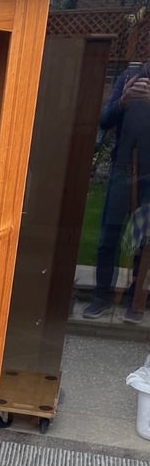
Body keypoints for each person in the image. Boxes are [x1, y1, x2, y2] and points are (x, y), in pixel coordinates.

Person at [83, 55, 150, 322]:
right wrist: (123, 101)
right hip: (122, 170)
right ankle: (102, 296)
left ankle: (136, 299)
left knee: (144, 240)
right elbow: (104, 120)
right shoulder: (127, 77)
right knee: (108, 237)